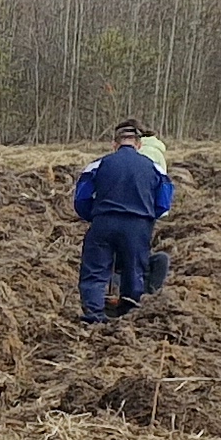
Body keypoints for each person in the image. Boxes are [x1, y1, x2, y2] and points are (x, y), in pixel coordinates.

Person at [70, 118, 173, 323]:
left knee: (95, 270)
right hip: (138, 225)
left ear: (114, 144)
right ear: (139, 145)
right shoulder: (154, 168)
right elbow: (164, 202)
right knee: (135, 270)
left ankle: (94, 315)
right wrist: (147, 217)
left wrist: (93, 215)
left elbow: (81, 198)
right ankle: (129, 315)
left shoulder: (98, 164)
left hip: (104, 221)